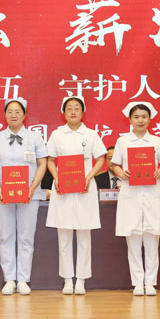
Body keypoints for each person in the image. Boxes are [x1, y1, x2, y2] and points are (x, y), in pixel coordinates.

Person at [0, 98, 48, 296]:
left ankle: (23, 279)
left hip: (29, 194)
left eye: (17, 111)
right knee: (5, 236)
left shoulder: (35, 138)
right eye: (9, 111)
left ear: (24, 114)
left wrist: (33, 187)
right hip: (3, 194)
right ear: (5, 115)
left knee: (26, 237)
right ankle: (9, 279)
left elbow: (43, 163)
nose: (13, 115)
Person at [46, 96, 106, 295]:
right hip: (62, 189)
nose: (73, 111)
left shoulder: (91, 134)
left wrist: (89, 177)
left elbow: (101, 159)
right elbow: (50, 160)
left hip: (84, 189)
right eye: (69, 108)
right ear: (63, 112)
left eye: (77, 108)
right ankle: (67, 280)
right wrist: (57, 178)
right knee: (63, 236)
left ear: (83, 112)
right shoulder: (57, 134)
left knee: (84, 236)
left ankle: (81, 280)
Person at [110, 102, 160, 296]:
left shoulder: (157, 141)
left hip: (152, 193)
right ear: (130, 119)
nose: (140, 120)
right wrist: (122, 174)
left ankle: (150, 283)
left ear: (150, 119)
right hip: (131, 194)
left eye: (144, 116)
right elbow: (115, 164)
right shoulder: (123, 141)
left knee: (152, 239)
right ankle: (137, 283)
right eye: (136, 117)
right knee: (133, 239)